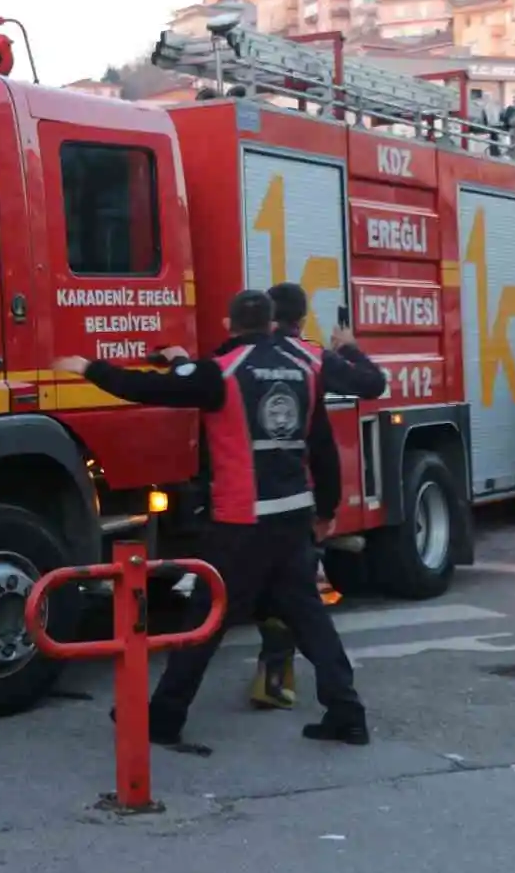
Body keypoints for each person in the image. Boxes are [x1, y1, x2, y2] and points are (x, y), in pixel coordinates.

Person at [53, 290, 369, 744]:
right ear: (271, 323)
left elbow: (148, 389)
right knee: (310, 618)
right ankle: (347, 712)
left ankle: (164, 716)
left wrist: (89, 368)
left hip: (242, 520)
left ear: (230, 324)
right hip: (293, 514)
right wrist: (326, 509)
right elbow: (320, 443)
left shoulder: (223, 372)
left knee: (205, 617)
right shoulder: (305, 366)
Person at [251, 283, 387, 710]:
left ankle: (273, 674)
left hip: (247, 498)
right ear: (303, 320)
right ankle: (294, 681)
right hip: (298, 492)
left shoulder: (241, 356)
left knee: (261, 590)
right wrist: (349, 349)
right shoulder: (311, 357)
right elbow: (372, 383)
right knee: (297, 592)